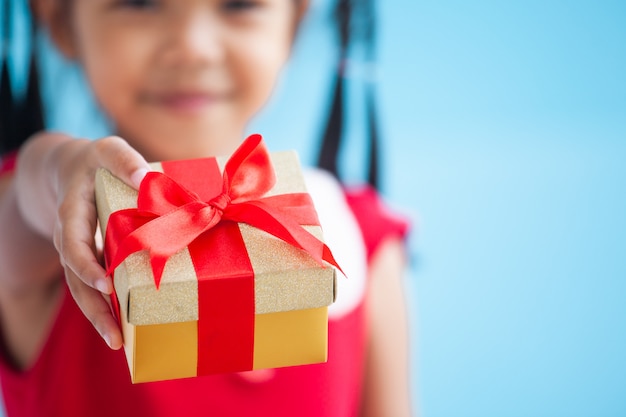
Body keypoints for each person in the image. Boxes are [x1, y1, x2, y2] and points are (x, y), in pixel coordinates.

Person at [0, 0, 412, 416]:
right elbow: (24, 207)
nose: (193, 47)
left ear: (294, 21)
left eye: (240, 4)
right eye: (140, 3)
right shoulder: (53, 231)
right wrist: (57, 167)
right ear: (61, 22)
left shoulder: (360, 235)